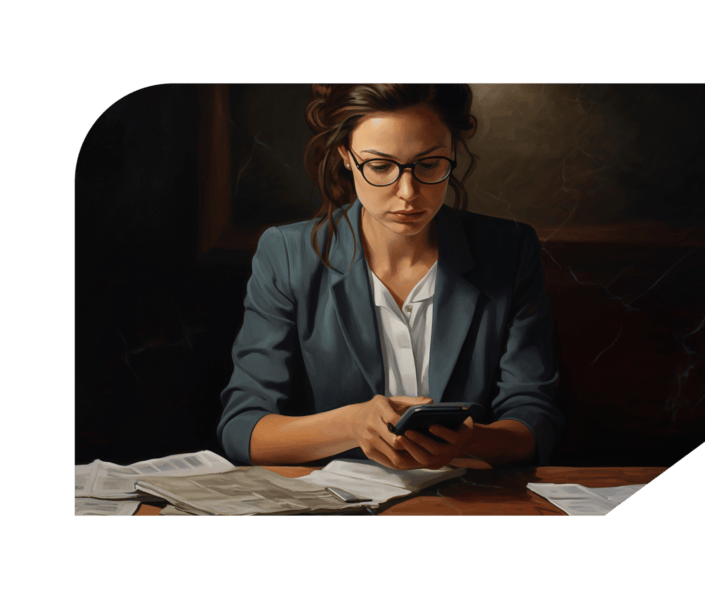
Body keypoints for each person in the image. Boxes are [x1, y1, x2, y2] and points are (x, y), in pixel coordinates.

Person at [217, 83, 564, 470]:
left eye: (429, 164)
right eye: (380, 166)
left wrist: (471, 441)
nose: (408, 192)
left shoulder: (509, 249)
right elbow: (243, 429)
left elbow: (534, 418)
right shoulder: (286, 254)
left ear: (453, 152)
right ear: (345, 156)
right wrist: (351, 426)